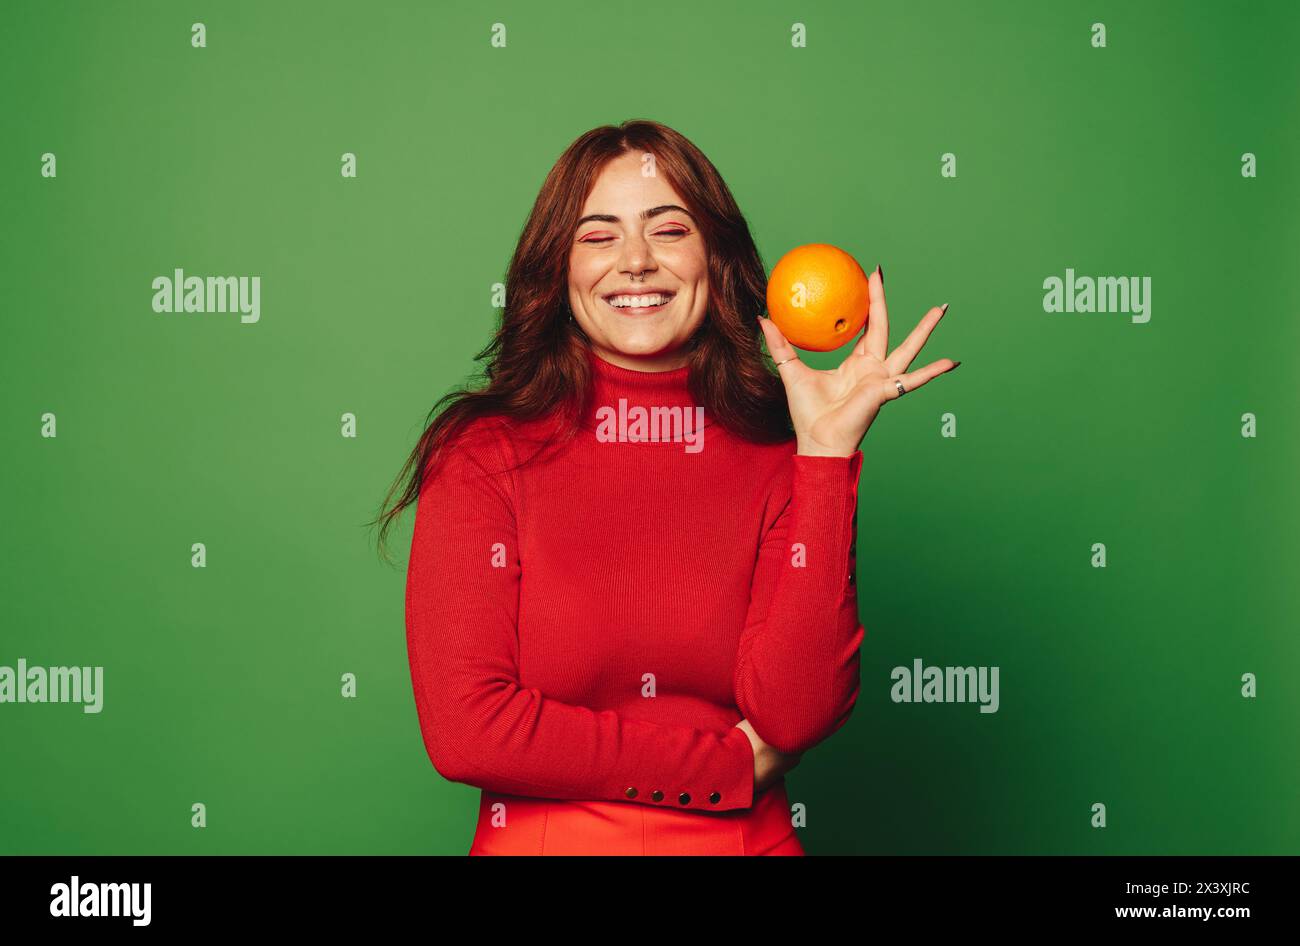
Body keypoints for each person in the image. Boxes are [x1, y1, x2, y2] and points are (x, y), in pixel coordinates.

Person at [372, 119, 958, 855]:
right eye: (598, 235)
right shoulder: (484, 452)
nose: (637, 261)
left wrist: (824, 457)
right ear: (556, 268)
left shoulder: (779, 447)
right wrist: (723, 769)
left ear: (715, 257)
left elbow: (798, 715)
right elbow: (467, 732)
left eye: (668, 229)